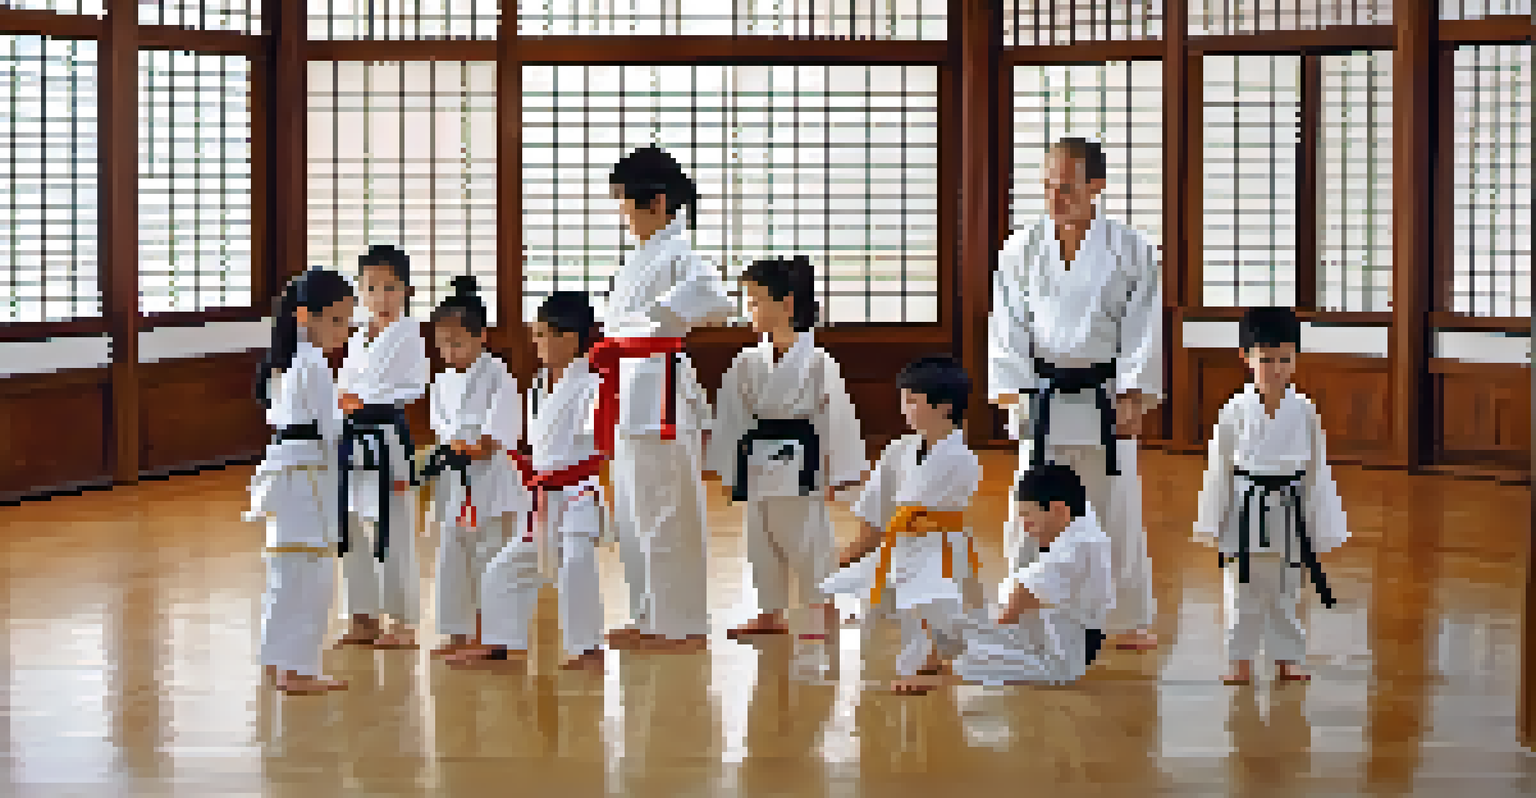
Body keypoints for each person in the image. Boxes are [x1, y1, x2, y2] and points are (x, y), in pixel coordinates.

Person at [988, 136, 1162, 651]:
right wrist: (1013, 391)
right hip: (1042, 396)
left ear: (1096, 186)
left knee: (1115, 509)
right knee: (1031, 508)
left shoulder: (1131, 250)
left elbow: (1143, 328)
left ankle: (1126, 618)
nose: (1054, 198)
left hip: (1103, 396)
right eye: (1046, 187)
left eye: (1065, 187)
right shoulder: (1021, 248)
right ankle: (1019, 605)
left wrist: (1134, 393)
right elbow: (1008, 325)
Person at [591, 146, 735, 652]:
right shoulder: (644, 256)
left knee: (668, 510)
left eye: (628, 206)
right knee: (633, 510)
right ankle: (649, 615)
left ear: (655, 202)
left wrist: (663, 314)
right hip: (628, 386)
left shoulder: (683, 254)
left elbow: (718, 303)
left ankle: (683, 624)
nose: (625, 218)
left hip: (659, 390)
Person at [707, 256, 866, 642]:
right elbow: (732, 417)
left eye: (757, 301)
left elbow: (837, 419)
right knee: (761, 537)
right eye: (749, 301)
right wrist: (731, 470)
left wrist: (837, 474)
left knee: (807, 537)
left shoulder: (817, 361)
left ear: (788, 304)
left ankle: (821, 607)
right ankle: (770, 611)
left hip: (802, 459)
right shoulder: (748, 361)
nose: (751, 311)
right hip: (758, 459)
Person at [1194, 306, 1349, 685]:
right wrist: (1213, 520)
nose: (1276, 368)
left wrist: (1318, 521)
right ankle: (1239, 661)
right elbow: (1219, 471)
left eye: (1284, 359)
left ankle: (1288, 658)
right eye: (1266, 359)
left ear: (1295, 358)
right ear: (1246, 358)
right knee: (1241, 591)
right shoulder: (1233, 411)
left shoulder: (1305, 410)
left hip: (1289, 506)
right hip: (1245, 507)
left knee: (1286, 590)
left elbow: (1317, 469)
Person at [455, 291, 609, 671]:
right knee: (503, 570)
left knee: (576, 562)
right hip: (544, 497)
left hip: (577, 493)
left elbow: (600, 443)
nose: (536, 343)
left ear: (570, 338)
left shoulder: (594, 384)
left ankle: (588, 649)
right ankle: (501, 643)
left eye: (543, 335)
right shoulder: (539, 383)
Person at [819, 356, 984, 691]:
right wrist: (858, 543)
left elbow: (912, 505)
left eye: (912, 400)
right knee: (876, 606)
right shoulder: (898, 450)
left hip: (938, 546)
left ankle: (933, 662)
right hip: (901, 543)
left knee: (929, 605)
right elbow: (877, 504)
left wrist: (862, 541)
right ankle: (922, 659)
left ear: (945, 406)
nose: (904, 408)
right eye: (903, 399)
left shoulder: (962, 458)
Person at [887, 464, 1116, 695]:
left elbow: (1023, 594)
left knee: (972, 657)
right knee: (957, 623)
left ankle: (938, 679)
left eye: (1028, 516)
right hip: (1044, 633)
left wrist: (988, 631)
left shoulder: (1080, 546)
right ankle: (948, 648)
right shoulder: (1079, 522)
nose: (1025, 527)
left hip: (1057, 660)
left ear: (1058, 510)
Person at [246, 267, 356, 695]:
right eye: (335, 319)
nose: (343, 330)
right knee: (312, 573)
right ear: (305, 316)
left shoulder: (285, 362)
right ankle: (299, 669)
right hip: (305, 473)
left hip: (285, 469)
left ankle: (277, 659)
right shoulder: (312, 363)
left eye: (347, 321)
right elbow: (330, 430)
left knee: (285, 571)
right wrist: (350, 421)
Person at [420, 276, 527, 659]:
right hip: (455, 476)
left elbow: (501, 428)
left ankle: (494, 636)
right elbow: (440, 426)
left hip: (489, 473)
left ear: (481, 336)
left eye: (457, 342)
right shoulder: (442, 380)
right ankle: (457, 631)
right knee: (453, 552)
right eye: (442, 344)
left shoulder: (498, 373)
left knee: (490, 554)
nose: (449, 351)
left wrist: (479, 444)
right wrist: (450, 448)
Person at [335, 244, 431, 650]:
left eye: (391, 288)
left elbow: (414, 386)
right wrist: (347, 399)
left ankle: (404, 621)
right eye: (372, 287)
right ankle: (363, 616)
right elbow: (342, 384)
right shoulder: (358, 338)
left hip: (388, 436)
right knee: (352, 525)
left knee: (392, 529)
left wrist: (365, 397)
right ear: (360, 291)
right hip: (353, 436)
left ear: (407, 290)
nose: (381, 297)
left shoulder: (410, 336)